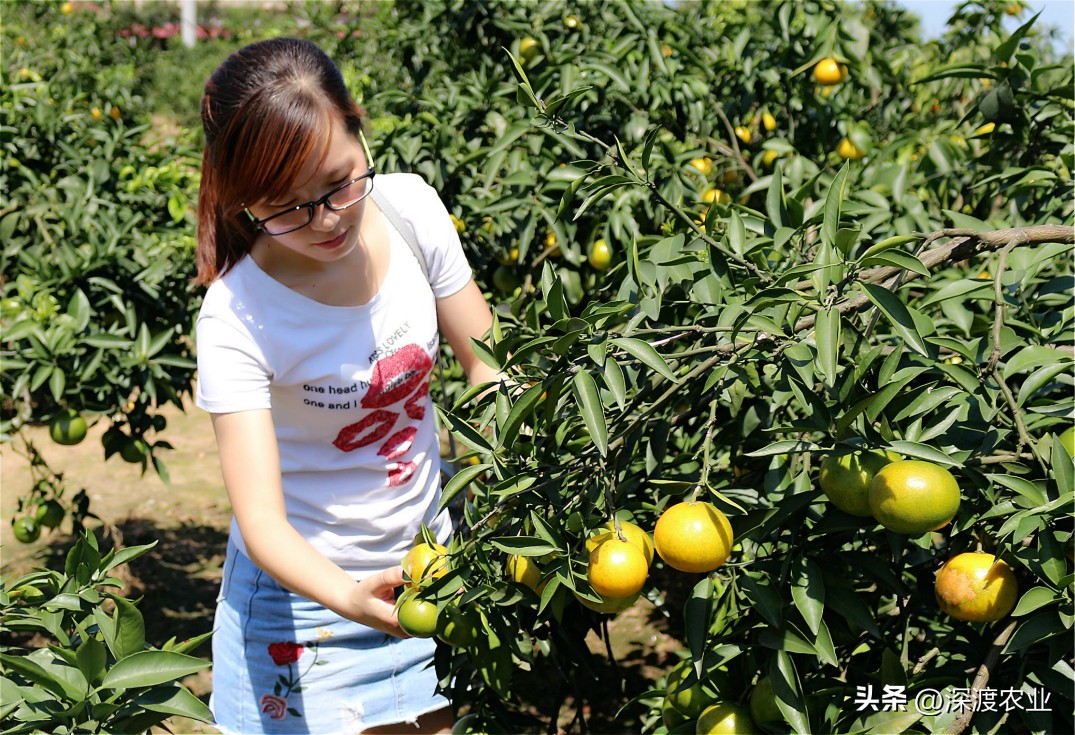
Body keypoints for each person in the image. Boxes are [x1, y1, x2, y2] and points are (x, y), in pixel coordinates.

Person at [193, 37, 499, 735]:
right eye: (287, 207)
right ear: (245, 202)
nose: (325, 219)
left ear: (360, 129)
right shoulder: (237, 316)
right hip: (301, 606)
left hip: (430, 573)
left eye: (338, 183)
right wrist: (349, 597)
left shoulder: (412, 211)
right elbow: (262, 521)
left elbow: (484, 363)